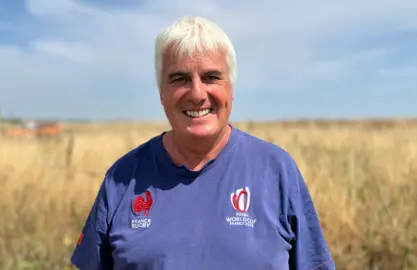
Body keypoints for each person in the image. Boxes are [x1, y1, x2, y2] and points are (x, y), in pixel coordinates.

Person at [70, 16, 335, 270]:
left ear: (230, 87)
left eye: (211, 77)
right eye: (180, 79)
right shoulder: (122, 178)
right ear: (161, 92)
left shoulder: (277, 170)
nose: (197, 94)